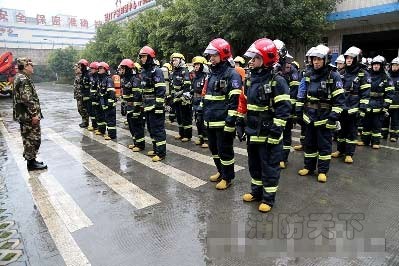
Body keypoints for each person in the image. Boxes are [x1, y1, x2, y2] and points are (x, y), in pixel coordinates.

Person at [236, 38, 291, 212]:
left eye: (255, 58)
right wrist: (240, 121)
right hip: (253, 132)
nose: (251, 62)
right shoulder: (251, 79)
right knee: (255, 165)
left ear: (266, 59)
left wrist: (276, 132)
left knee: (269, 167)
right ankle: (256, 192)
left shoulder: (277, 81)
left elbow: (283, 109)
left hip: (269, 134)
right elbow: (244, 103)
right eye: (251, 58)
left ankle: (268, 199)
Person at [296, 44, 345, 183]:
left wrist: (333, 117)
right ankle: (309, 167)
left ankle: (322, 171)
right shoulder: (308, 74)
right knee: (309, 143)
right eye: (313, 59)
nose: (316, 62)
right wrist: (298, 111)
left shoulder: (333, 75)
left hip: (325, 117)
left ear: (326, 60)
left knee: (324, 146)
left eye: (319, 59)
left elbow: (339, 100)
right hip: (310, 116)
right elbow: (301, 94)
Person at [202, 38, 242, 190]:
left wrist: (230, 121)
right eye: (210, 55)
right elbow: (206, 95)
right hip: (211, 120)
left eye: (214, 54)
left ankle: (228, 177)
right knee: (214, 149)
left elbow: (234, 100)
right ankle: (220, 172)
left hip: (224, 122)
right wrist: (201, 113)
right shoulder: (211, 74)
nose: (211, 58)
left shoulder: (232, 74)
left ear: (223, 54)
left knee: (225, 150)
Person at [331, 46, 370, 163]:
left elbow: (365, 94)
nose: (348, 59)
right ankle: (340, 150)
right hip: (342, 107)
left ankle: (349, 153)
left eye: (351, 57)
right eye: (347, 57)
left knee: (352, 132)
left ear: (357, 59)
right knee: (341, 131)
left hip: (354, 108)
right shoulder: (341, 72)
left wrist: (362, 110)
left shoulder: (363, 74)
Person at [12, 58, 47, 171]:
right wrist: (34, 115)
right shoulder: (23, 79)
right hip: (28, 116)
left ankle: (32, 160)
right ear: (26, 66)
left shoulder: (21, 77)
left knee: (29, 138)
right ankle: (31, 163)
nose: (33, 67)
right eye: (31, 65)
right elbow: (27, 99)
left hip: (25, 115)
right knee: (33, 139)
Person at [273, 39, 300, 169]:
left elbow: (294, 91)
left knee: (286, 133)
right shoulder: (270, 68)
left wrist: (291, 111)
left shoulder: (290, 68)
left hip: (286, 108)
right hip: (273, 108)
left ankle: (283, 158)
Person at [358, 55, 394, 148]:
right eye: (374, 64)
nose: (376, 66)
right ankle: (364, 141)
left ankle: (376, 142)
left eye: (378, 64)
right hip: (368, 102)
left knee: (377, 124)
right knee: (366, 123)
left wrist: (386, 104)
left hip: (379, 103)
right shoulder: (367, 75)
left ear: (382, 66)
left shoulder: (386, 77)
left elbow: (390, 92)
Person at [139, 46, 167, 162]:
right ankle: (156, 149)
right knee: (151, 128)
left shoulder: (157, 71)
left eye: (144, 56)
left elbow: (161, 90)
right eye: (141, 57)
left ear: (150, 57)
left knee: (158, 129)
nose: (142, 59)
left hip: (156, 106)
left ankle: (161, 153)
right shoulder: (144, 71)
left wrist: (159, 106)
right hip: (148, 105)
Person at [119, 59, 145, 151]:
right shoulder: (125, 79)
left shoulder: (135, 79)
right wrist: (123, 105)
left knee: (137, 126)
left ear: (128, 69)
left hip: (135, 107)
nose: (121, 70)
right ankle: (135, 143)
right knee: (131, 126)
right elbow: (124, 94)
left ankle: (140, 145)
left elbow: (137, 95)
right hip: (129, 107)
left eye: (122, 68)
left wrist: (136, 109)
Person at [293, 47, 315, 151]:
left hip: (315, 105)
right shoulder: (305, 72)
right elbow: (301, 90)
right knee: (304, 126)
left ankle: (311, 145)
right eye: (310, 58)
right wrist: (299, 105)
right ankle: (303, 143)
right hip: (305, 103)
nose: (310, 60)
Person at [169, 53, 192, 142]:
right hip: (176, 98)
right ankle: (181, 133)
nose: (173, 62)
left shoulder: (185, 71)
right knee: (179, 117)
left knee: (186, 117)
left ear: (181, 60)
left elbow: (187, 85)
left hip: (184, 98)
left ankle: (188, 135)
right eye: (173, 60)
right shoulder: (174, 71)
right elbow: (172, 85)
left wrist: (182, 96)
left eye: (175, 60)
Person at [191, 56, 209, 148]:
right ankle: (201, 137)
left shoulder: (206, 76)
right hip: (195, 100)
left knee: (203, 120)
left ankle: (206, 139)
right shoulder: (195, 76)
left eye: (198, 64)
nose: (196, 66)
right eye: (195, 65)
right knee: (197, 120)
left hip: (203, 100)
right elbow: (193, 88)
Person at [97, 62, 117, 140]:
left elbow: (111, 92)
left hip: (109, 104)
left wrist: (110, 103)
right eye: (99, 68)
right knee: (107, 119)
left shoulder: (108, 80)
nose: (99, 70)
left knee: (110, 120)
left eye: (101, 68)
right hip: (104, 103)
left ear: (105, 70)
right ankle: (109, 133)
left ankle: (112, 135)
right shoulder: (101, 80)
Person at [73, 63, 89, 128]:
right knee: (80, 109)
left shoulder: (82, 76)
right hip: (78, 95)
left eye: (76, 69)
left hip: (81, 95)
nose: (75, 70)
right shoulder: (77, 76)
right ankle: (84, 121)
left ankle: (85, 122)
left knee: (82, 109)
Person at [387, 57, 399, 142]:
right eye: (393, 65)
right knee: (384, 119)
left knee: (395, 120)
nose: (394, 67)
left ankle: (394, 135)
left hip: (397, 103)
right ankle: (383, 134)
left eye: (396, 65)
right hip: (387, 102)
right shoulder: (387, 75)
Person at [77, 59, 91, 128]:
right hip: (83, 95)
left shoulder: (88, 74)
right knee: (83, 109)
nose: (79, 67)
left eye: (80, 66)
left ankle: (87, 123)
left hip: (88, 96)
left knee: (87, 110)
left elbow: (90, 86)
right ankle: (85, 122)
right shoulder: (83, 74)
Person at [87, 61, 99, 132]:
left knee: (97, 112)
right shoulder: (91, 76)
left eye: (92, 68)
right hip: (91, 97)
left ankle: (98, 126)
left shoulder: (98, 77)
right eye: (90, 68)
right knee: (91, 112)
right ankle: (94, 125)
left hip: (96, 98)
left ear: (96, 69)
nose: (91, 70)